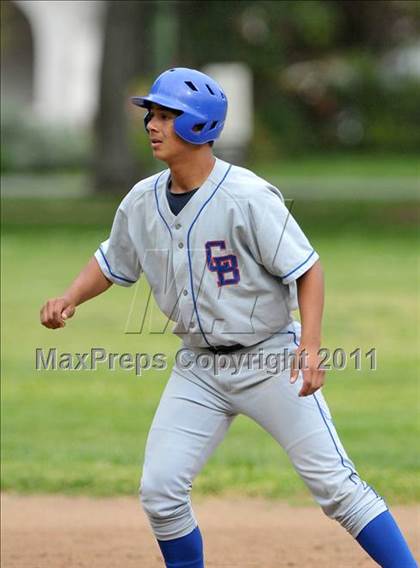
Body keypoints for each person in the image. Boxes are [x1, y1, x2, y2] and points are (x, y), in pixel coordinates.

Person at [40, 67, 417, 568]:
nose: (152, 123)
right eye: (151, 113)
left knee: (336, 488)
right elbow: (113, 260)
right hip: (197, 369)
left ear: (198, 127)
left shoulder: (248, 197)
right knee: (160, 491)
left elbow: (307, 269)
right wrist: (69, 298)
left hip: (270, 360)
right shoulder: (141, 200)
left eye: (167, 115)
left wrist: (311, 346)